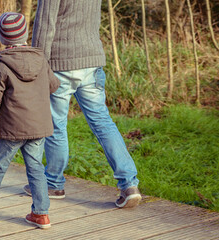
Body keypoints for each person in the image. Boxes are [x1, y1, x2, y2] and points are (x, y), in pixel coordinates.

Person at [28, 0, 142, 208]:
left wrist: (38, 66)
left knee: (56, 125)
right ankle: (129, 185)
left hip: (62, 63)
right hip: (92, 61)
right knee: (103, 122)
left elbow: (44, 26)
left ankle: (53, 183)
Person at [0, 12, 60, 229]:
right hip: (38, 127)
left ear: (2, 37)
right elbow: (54, 85)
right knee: (36, 168)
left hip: (13, 128)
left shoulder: (0, 65)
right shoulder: (40, 58)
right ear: (25, 34)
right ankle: (41, 214)